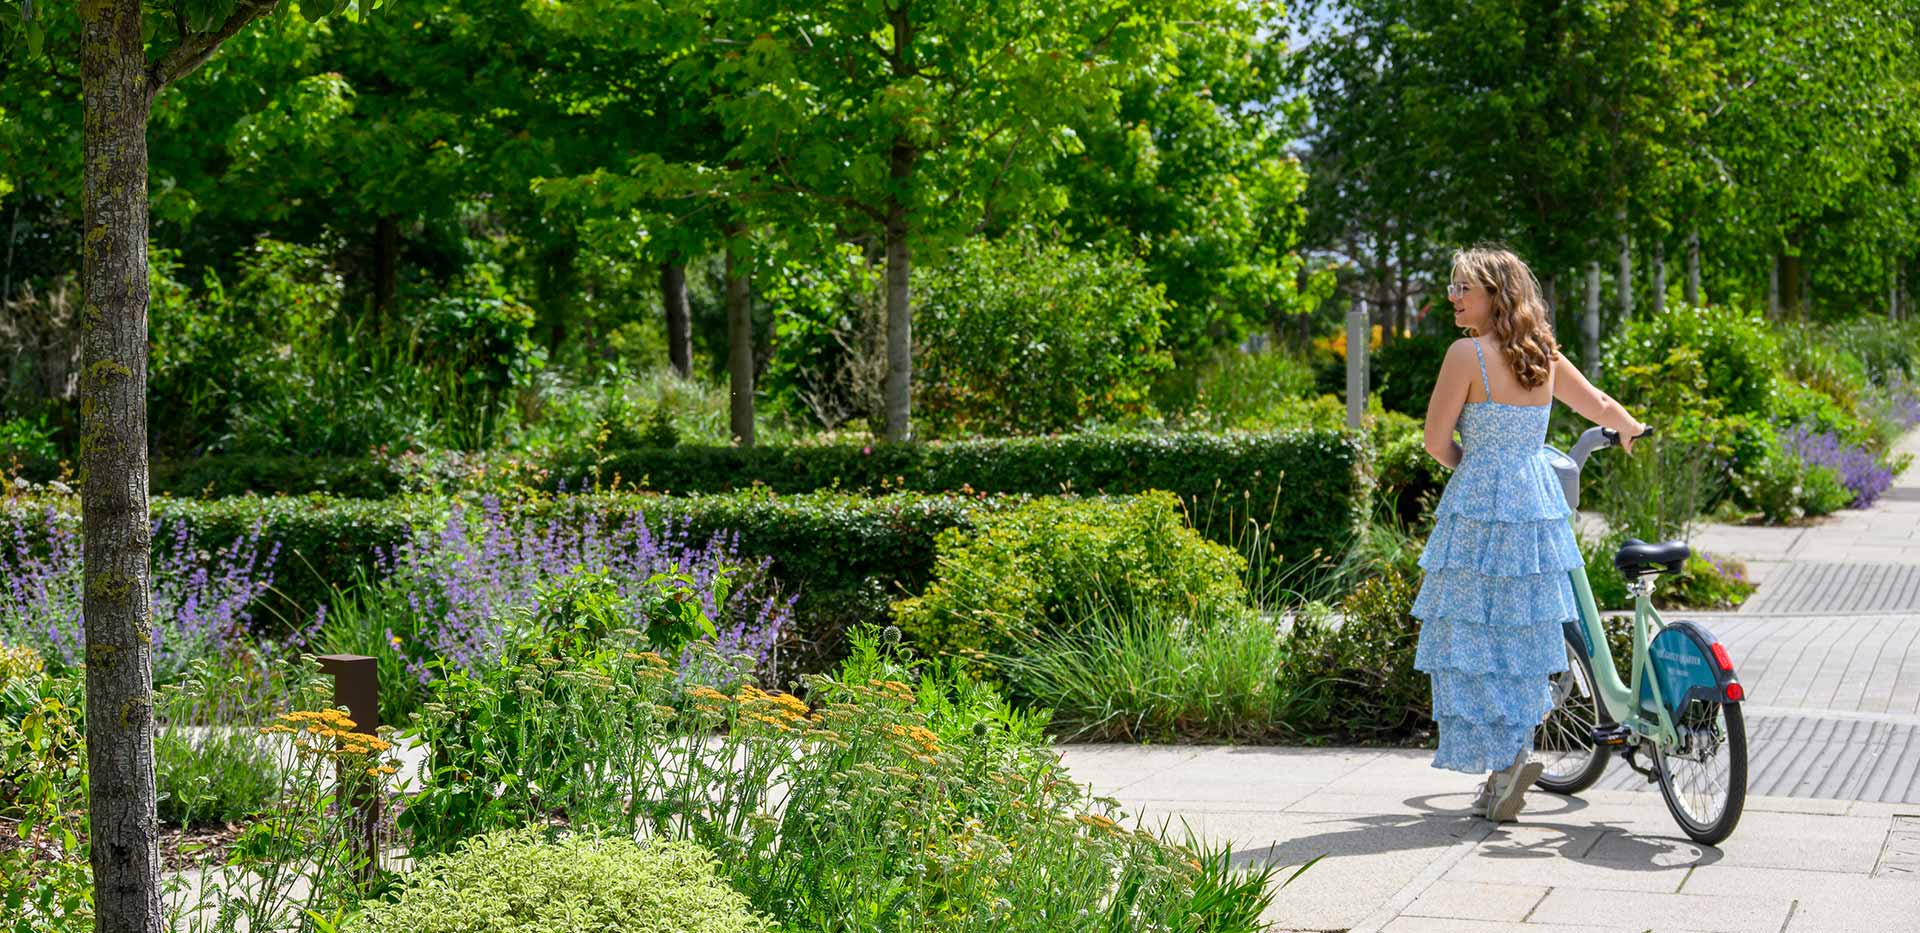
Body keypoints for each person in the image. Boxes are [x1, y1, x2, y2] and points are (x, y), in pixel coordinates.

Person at [1413, 246, 1647, 822]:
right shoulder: (1541, 354)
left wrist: (1474, 467)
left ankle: (1502, 765)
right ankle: (1510, 761)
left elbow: (1435, 442)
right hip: (1537, 502)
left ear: (1495, 292)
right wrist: (1631, 429)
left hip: (1479, 504)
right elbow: (1599, 405)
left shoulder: (1465, 355)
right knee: (1525, 635)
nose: (1453, 297)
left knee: (1474, 636)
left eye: (1463, 287)